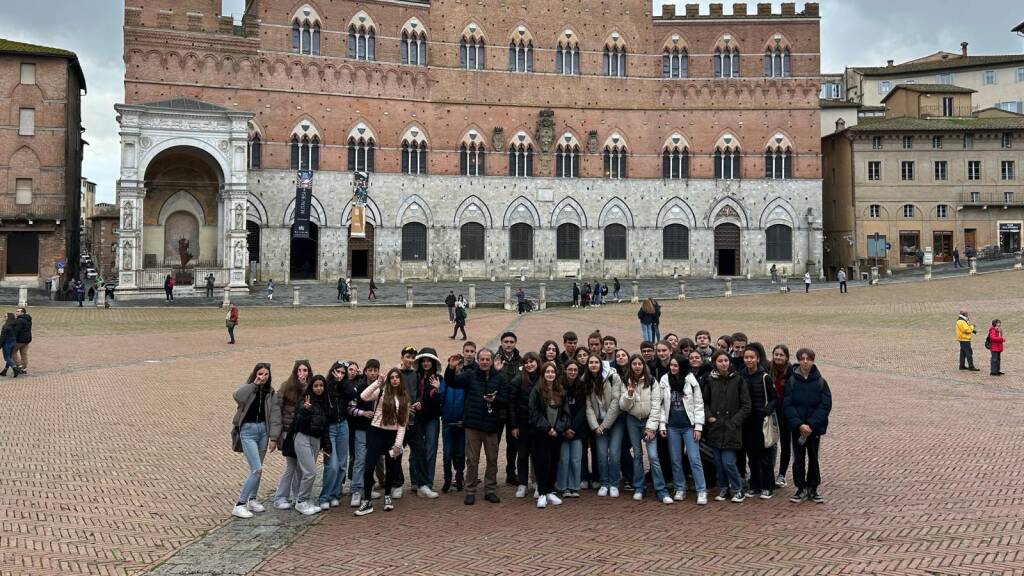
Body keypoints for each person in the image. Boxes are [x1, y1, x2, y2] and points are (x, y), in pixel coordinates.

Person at [449, 348, 506, 505]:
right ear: (478, 360)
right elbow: (452, 382)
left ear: (492, 361)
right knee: (472, 460)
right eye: (482, 359)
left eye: (488, 359)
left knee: (492, 460)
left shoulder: (499, 378)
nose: (485, 362)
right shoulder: (470, 375)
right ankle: (470, 491)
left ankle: (490, 490)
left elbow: (506, 399)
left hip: (491, 425)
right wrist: (451, 368)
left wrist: (495, 399)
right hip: (473, 425)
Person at [355, 368, 411, 516]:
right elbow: (363, 396)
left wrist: (398, 444)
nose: (394, 380)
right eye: (391, 377)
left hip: (392, 434)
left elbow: (402, 424)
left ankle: (387, 496)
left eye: (396, 377)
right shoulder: (381, 392)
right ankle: (367, 500)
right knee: (369, 466)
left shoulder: (404, 397)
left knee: (391, 466)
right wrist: (378, 382)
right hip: (376, 431)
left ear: (400, 379)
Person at [620, 354, 672, 504]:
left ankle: (661, 490)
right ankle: (639, 487)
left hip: (649, 420)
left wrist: (650, 428)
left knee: (653, 456)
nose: (637, 366)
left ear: (644, 365)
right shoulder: (626, 382)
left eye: (639, 364)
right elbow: (623, 407)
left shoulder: (652, 382)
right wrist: (629, 394)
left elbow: (656, 405)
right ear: (630, 366)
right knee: (637, 454)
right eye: (634, 364)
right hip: (633, 420)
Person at [231, 362, 281, 518]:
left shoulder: (270, 393)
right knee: (257, 469)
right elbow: (237, 396)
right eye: (260, 374)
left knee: (258, 468)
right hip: (248, 432)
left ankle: (252, 499)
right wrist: (254, 384)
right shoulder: (248, 389)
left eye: (266, 374)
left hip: (263, 432)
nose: (263, 377)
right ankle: (239, 504)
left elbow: (274, 415)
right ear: (255, 374)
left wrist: (273, 437)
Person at [784, 348, 832, 504]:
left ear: (813, 360)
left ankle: (813, 487)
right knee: (798, 458)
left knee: (813, 458)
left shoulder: (820, 382)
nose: (805, 361)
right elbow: (787, 404)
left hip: (814, 429)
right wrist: (799, 424)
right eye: (802, 358)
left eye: (808, 359)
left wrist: (811, 424)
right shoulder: (791, 381)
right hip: (798, 429)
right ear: (798, 360)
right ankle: (800, 487)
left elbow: (825, 405)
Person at [703, 350, 751, 503]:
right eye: (720, 361)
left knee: (728, 461)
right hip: (715, 428)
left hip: (731, 429)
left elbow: (746, 405)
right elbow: (703, 402)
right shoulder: (710, 380)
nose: (723, 363)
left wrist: (735, 422)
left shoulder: (738, 380)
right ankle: (723, 487)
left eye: (726, 360)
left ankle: (737, 489)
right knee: (718, 462)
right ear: (715, 363)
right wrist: (709, 416)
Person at [661, 354, 707, 505]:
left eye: (676, 365)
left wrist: (698, 427)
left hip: (689, 426)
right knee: (675, 459)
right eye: (671, 365)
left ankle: (701, 490)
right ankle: (680, 487)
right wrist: (662, 424)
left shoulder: (691, 380)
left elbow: (699, 404)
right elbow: (661, 405)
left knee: (694, 458)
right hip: (672, 426)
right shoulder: (664, 380)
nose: (673, 368)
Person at [273, 360, 313, 509]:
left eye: (305, 370)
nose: (302, 373)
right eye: (300, 370)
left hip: (302, 432)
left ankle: (297, 496)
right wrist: (276, 434)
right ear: (295, 372)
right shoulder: (287, 386)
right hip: (288, 432)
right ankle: (280, 497)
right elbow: (277, 408)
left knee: (300, 467)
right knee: (291, 465)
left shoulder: (311, 387)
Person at [530, 361, 569, 508]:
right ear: (543, 374)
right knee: (542, 463)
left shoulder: (561, 391)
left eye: (552, 372)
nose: (550, 374)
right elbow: (533, 412)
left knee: (553, 461)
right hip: (541, 433)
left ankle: (550, 491)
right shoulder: (537, 390)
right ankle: (542, 493)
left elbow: (566, 414)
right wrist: (547, 428)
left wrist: (557, 429)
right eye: (547, 372)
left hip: (556, 434)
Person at [291, 374, 332, 516]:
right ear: (311, 387)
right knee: (310, 472)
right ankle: (301, 501)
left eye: (321, 386)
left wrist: (327, 446)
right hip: (303, 437)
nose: (319, 388)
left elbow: (325, 427)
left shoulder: (325, 402)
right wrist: (305, 411)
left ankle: (300, 499)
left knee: (304, 471)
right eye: (316, 386)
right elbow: (297, 423)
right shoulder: (305, 400)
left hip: (316, 440)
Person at [585, 353, 624, 497]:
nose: (593, 365)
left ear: (601, 365)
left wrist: (604, 425)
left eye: (596, 362)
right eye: (591, 362)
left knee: (614, 453)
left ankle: (614, 483)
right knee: (601, 454)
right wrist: (595, 426)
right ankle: (604, 483)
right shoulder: (586, 380)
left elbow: (616, 402)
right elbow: (588, 406)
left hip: (615, 421)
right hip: (598, 422)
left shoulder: (614, 377)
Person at [740, 346, 776, 500]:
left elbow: (774, 398)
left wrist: (765, 411)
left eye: (752, 357)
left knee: (765, 456)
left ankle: (768, 486)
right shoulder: (741, 375)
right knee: (752, 456)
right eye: (746, 357)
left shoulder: (765, 377)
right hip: (747, 422)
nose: (749, 360)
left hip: (761, 422)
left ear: (757, 359)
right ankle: (754, 485)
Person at [345, 359, 380, 508]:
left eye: (375, 370)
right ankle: (356, 490)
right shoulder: (359, 387)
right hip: (361, 428)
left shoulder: (382, 386)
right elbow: (350, 408)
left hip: (376, 429)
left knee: (371, 460)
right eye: (370, 370)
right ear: (365, 371)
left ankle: (368, 488)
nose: (373, 373)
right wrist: (362, 413)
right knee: (359, 460)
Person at [319, 361, 352, 510]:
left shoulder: (346, 385)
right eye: (337, 372)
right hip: (330, 427)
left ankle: (335, 494)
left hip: (343, 425)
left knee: (341, 464)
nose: (339, 375)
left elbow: (352, 395)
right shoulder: (326, 386)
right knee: (331, 465)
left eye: (343, 373)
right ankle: (324, 496)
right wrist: (334, 383)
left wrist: (342, 383)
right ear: (332, 371)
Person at [410, 348, 443, 499]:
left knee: (430, 449)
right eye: (423, 360)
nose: (426, 363)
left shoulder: (438, 378)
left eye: (429, 360)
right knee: (416, 450)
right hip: (416, 418)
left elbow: (440, 402)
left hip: (432, 419)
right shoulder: (414, 377)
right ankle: (415, 481)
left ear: (434, 362)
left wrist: (437, 390)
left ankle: (428, 483)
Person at [510, 352, 541, 498]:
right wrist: (514, 425)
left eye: (532, 361)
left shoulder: (542, 377)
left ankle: (537, 482)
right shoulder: (518, 379)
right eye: (526, 362)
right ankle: (522, 483)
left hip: (539, 423)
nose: (529, 364)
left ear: (537, 362)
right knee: (522, 454)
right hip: (522, 423)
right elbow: (512, 404)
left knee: (537, 454)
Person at [557, 361, 586, 498]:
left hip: (577, 429)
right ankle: (563, 486)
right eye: (570, 369)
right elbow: (557, 410)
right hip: (562, 429)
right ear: (565, 370)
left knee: (575, 459)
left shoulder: (581, 386)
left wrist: (573, 427)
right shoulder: (559, 386)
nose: (573, 372)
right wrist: (564, 428)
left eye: (575, 370)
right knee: (564, 459)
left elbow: (583, 409)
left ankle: (574, 486)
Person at [439, 355, 467, 493]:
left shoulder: (465, 381)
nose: (457, 367)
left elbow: (467, 402)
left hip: (461, 423)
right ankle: (447, 479)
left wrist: (465, 419)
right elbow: (441, 398)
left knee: (460, 453)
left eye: (459, 364)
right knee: (447, 454)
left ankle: (459, 477)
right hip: (447, 422)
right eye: (454, 364)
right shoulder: (445, 380)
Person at [770, 345, 793, 488]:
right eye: (776, 354)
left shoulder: (791, 372)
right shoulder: (768, 369)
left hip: (785, 414)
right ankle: (768, 470)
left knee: (785, 444)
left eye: (781, 355)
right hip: (772, 412)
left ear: (786, 357)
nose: (778, 357)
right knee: (770, 442)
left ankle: (782, 474)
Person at [12, 307, 32, 375]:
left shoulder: (19, 320)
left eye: (18, 311)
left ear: (22, 313)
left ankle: (19, 365)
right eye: (16, 311)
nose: (16, 312)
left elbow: (16, 331)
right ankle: (24, 369)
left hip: (20, 340)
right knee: (24, 354)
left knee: (12, 352)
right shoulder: (28, 319)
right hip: (27, 340)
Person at [1, 313, 21, 378]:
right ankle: (5, 371)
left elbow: (3, 337)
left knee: (7, 358)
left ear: (9, 317)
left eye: (6, 316)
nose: (4, 317)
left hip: (7, 343)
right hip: (13, 341)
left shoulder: (5, 326)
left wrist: (0, 345)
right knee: (9, 357)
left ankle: (15, 368)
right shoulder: (15, 325)